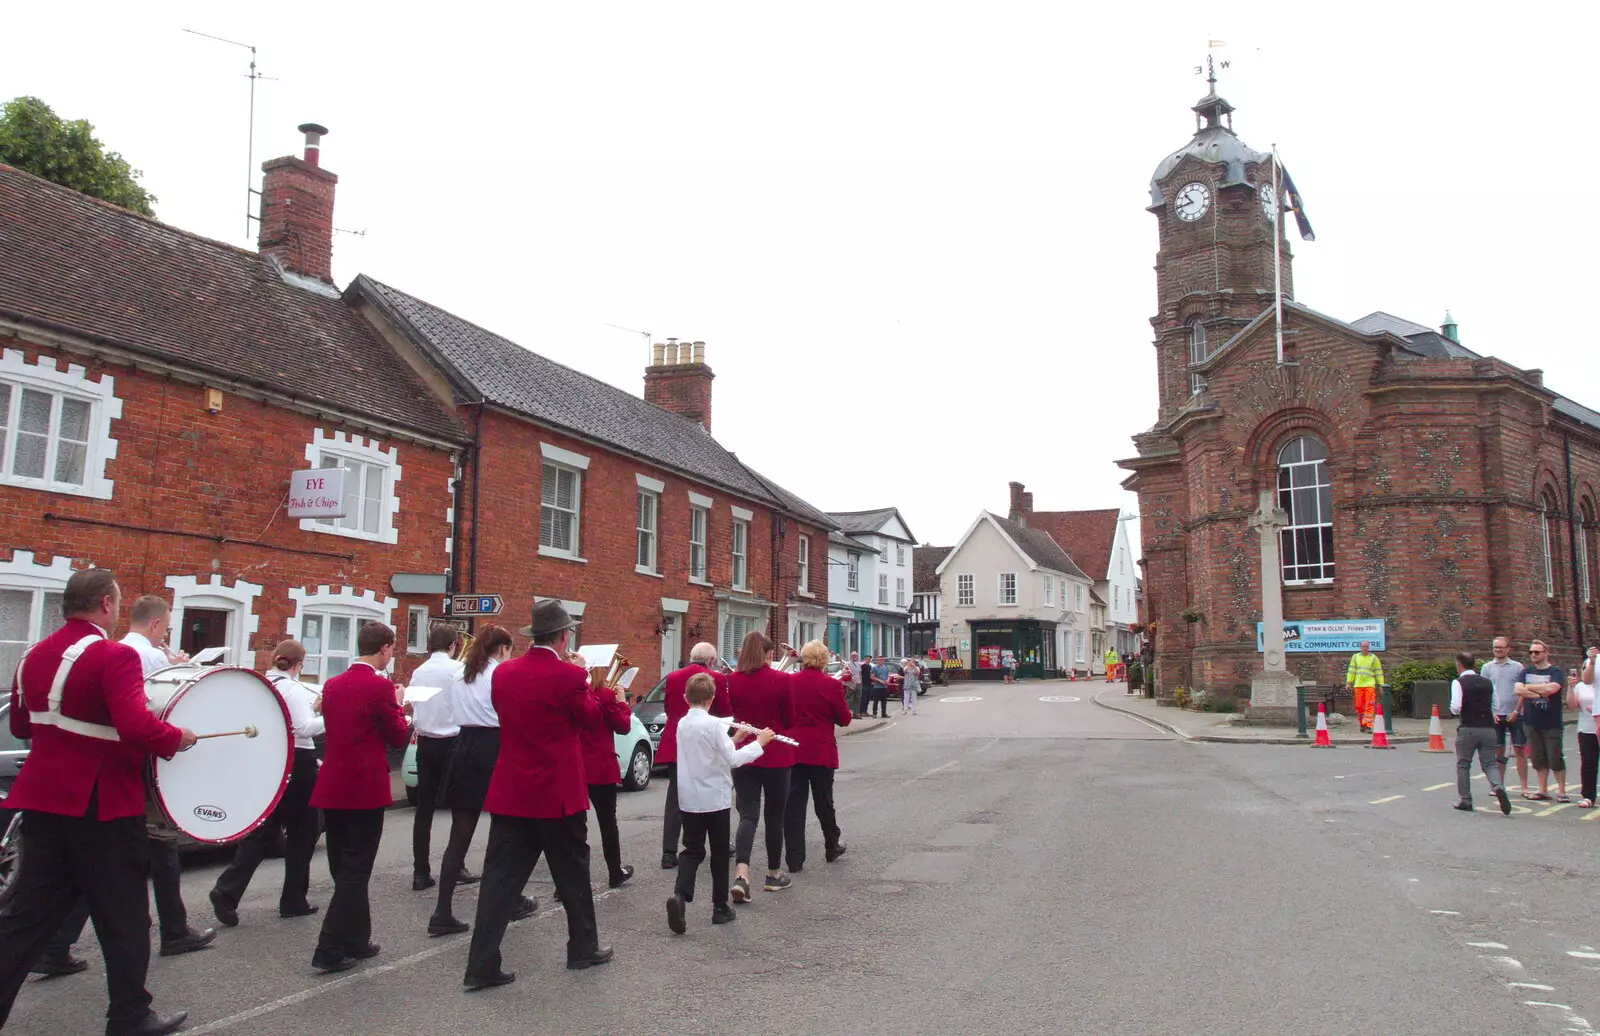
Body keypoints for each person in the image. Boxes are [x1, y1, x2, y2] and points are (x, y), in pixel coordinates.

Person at [0, 568, 196, 1036]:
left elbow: (24, 727)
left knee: (25, 917)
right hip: (103, 803)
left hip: (44, 801)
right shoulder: (113, 656)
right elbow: (134, 726)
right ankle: (129, 1016)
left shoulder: (33, 656)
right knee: (125, 916)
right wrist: (177, 736)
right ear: (106, 605)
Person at [462, 601, 611, 992]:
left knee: (498, 880)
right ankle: (582, 946)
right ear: (563, 637)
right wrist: (591, 685)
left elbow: (503, 713)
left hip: (512, 791)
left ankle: (481, 964)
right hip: (558, 793)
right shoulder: (569, 675)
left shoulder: (504, 673)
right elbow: (591, 719)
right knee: (573, 874)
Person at [308, 622, 412, 973]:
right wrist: (400, 706)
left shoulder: (333, 684)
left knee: (344, 867)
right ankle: (330, 946)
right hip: (364, 786)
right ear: (384, 649)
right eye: (392, 649)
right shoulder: (380, 686)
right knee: (357, 867)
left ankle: (355, 937)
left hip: (333, 784)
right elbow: (397, 736)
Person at [119, 596, 215, 959]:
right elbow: (161, 708)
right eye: (168, 628)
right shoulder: (150, 656)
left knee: (128, 853)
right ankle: (172, 930)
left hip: (130, 762)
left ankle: (60, 942)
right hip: (151, 761)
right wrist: (185, 668)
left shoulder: (119, 648)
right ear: (157, 625)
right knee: (162, 847)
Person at [426, 625, 534, 938]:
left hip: (464, 747)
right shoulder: (499, 675)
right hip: (494, 747)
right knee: (507, 833)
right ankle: (508, 902)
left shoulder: (460, 674)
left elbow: (450, 712)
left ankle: (442, 911)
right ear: (501, 649)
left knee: (459, 835)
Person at [209, 640, 324, 926]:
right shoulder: (293, 689)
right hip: (298, 760)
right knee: (304, 831)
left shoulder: (261, 684)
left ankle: (227, 890)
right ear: (299, 664)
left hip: (270, 759)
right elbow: (303, 728)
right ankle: (293, 899)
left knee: (265, 830)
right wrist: (327, 716)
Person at [667, 673, 773, 934]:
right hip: (714, 799)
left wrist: (736, 737)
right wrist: (759, 743)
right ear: (712, 699)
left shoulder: (683, 723)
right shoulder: (714, 724)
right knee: (718, 854)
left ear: (685, 698)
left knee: (691, 850)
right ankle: (719, 908)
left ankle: (680, 897)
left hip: (690, 799)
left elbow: (715, 749)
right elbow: (733, 760)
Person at [727, 632, 795, 903]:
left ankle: (741, 875)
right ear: (767, 654)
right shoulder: (782, 680)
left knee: (748, 814)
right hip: (776, 753)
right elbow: (789, 720)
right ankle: (773, 874)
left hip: (745, 754)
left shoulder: (731, 680)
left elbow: (730, 716)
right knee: (775, 816)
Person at [655, 642, 732, 870]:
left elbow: (669, 709)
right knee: (710, 790)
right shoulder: (715, 678)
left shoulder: (673, 676)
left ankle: (668, 852)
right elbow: (724, 712)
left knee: (675, 798)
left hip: (676, 740)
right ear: (711, 660)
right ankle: (720, 843)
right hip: (705, 742)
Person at [784, 640, 852, 872]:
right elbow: (844, 719)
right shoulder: (831, 685)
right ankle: (831, 844)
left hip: (794, 749)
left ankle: (794, 858)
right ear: (823, 660)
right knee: (824, 801)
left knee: (793, 804)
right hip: (821, 749)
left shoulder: (789, 682)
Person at [408, 625, 467, 891]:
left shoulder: (418, 672)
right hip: (453, 742)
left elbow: (414, 705)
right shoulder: (458, 670)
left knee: (424, 809)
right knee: (459, 809)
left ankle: (421, 872)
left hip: (425, 742)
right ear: (454, 644)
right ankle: (456, 867)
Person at [579, 660, 635, 891]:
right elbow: (623, 726)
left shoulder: (576, 694)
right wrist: (622, 703)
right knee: (607, 823)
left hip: (577, 764)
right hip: (601, 765)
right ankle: (614, 872)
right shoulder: (604, 694)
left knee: (575, 826)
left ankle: (568, 881)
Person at [1449, 650, 1513, 815]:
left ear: (1459, 664)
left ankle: (1466, 800)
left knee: (1463, 764)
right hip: (1488, 728)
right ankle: (1498, 786)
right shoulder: (1487, 682)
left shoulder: (1458, 682)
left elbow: (1456, 708)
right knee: (1490, 763)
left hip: (1468, 728)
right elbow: (1496, 705)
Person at [1514, 638, 1567, 803]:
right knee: (1538, 757)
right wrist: (1540, 692)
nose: (1533, 655)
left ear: (1546, 653)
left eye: (1537, 652)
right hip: (1531, 721)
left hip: (1551, 722)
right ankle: (1542, 789)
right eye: (1531, 652)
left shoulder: (1556, 672)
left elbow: (1553, 688)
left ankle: (1561, 791)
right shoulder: (1526, 671)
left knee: (1555, 756)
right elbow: (1517, 689)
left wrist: (1529, 688)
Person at [1481, 637, 1529, 796]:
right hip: (1496, 715)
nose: (1498, 650)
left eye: (1501, 647)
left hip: (1515, 713)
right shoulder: (1487, 668)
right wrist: (1491, 712)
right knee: (1498, 751)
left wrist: (1516, 711)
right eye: (1495, 647)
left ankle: (1524, 786)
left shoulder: (1517, 667)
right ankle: (1498, 785)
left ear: (1508, 649)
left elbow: (1522, 691)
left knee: (1519, 749)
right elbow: (1485, 692)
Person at [1567, 647, 1598, 808]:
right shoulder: (1581, 686)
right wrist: (1570, 687)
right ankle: (1588, 796)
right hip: (1586, 729)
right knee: (1588, 763)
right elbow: (1572, 705)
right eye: (1585, 667)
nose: (1589, 670)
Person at [1344, 641, 1385, 733]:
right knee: (1359, 706)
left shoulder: (1374, 658)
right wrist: (1348, 682)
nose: (1364, 648)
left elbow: (1378, 672)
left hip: (1370, 685)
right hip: (1358, 685)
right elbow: (1351, 671)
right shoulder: (1355, 657)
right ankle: (1362, 724)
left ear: (1368, 647)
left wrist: (1381, 684)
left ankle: (1367, 725)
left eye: (1366, 646)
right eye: (1363, 646)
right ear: (1360, 647)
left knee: (1369, 705)